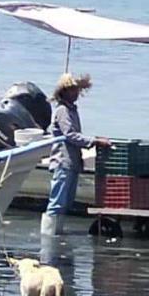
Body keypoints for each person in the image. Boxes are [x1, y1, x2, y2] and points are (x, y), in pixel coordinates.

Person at [43, 73, 112, 236]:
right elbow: (70, 135)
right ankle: (49, 237)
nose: (76, 94)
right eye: (73, 90)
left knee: (66, 202)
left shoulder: (72, 109)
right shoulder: (62, 110)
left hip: (72, 162)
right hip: (63, 161)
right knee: (57, 203)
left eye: (77, 90)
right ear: (64, 91)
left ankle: (56, 232)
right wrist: (94, 141)